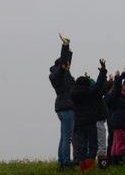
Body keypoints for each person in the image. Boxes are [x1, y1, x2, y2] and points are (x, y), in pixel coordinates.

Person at [70, 59, 108, 172]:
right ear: (87, 84)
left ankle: (82, 169)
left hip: (78, 123)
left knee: (81, 146)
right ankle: (89, 167)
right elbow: (99, 85)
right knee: (93, 146)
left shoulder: (73, 94)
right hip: (90, 123)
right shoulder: (89, 92)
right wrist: (103, 71)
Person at [48, 33, 75, 171]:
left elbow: (65, 62)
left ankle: (61, 161)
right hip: (67, 108)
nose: (69, 65)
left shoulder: (60, 74)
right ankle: (65, 162)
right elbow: (64, 62)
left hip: (62, 108)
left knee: (64, 137)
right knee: (67, 138)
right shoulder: (59, 74)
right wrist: (65, 46)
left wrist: (68, 51)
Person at [105, 64, 125, 165]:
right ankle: (118, 160)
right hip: (119, 121)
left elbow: (123, 86)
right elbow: (119, 86)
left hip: (116, 121)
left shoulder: (110, 97)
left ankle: (114, 159)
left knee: (116, 141)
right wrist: (117, 78)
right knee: (120, 141)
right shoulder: (115, 96)